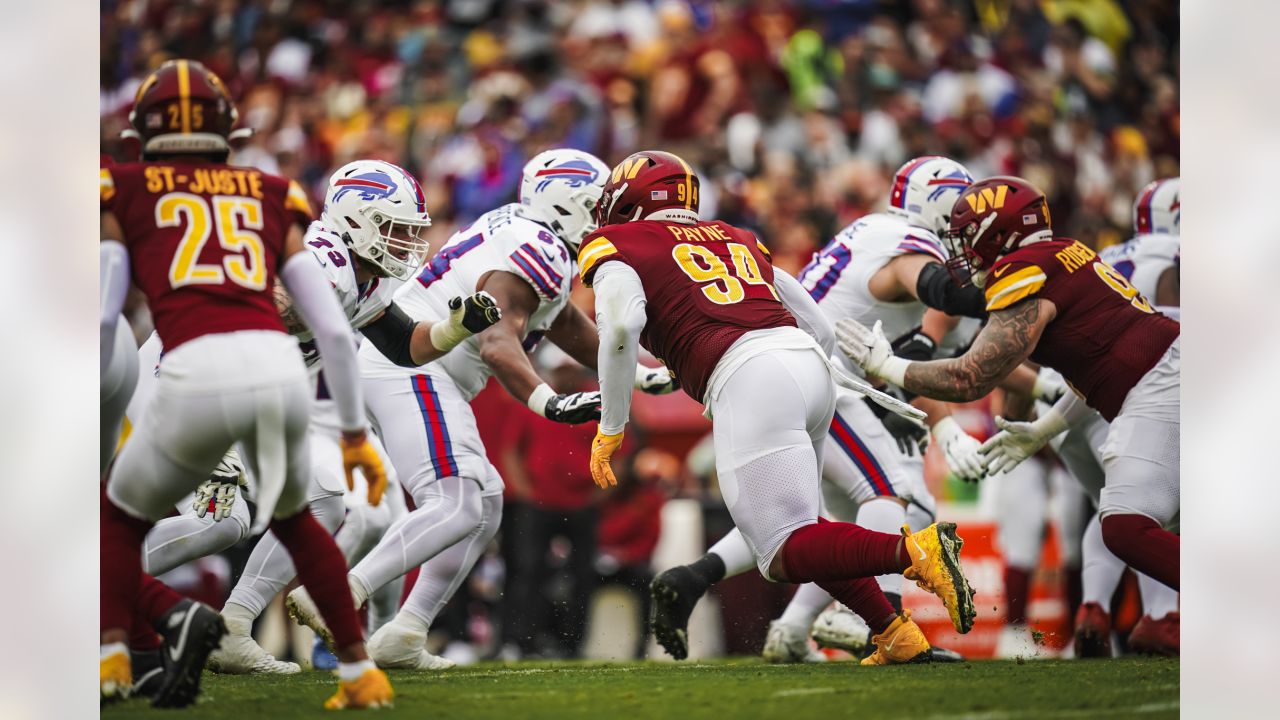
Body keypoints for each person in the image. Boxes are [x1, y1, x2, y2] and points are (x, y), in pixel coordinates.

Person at [583, 149, 977, 667]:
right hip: (807, 364)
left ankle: (913, 553)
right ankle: (895, 633)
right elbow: (815, 323)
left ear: (629, 201)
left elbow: (619, 327)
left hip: (751, 374)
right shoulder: (735, 235)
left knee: (780, 551)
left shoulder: (619, 243)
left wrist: (611, 426)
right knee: (807, 525)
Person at [285, 148, 676, 669]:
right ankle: (336, 593)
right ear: (567, 205)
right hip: (413, 365)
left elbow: (561, 323)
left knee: (484, 504)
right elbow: (497, 341)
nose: (605, 217)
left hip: (418, 369)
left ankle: (406, 632)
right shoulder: (539, 246)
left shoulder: (531, 234)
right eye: (598, 205)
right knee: (457, 502)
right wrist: (549, 401)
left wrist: (641, 373)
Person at [99, 60, 392, 709]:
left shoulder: (121, 186)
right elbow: (330, 333)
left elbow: (102, 307)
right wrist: (352, 433)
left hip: (187, 362)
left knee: (128, 519)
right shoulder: (271, 192)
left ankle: (119, 639)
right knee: (286, 514)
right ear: (227, 132)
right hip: (259, 372)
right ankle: (358, 672)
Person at [837, 175, 1181, 593]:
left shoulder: (1021, 270)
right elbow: (1101, 363)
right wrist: (1045, 429)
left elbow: (971, 376)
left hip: (1161, 385)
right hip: (1165, 374)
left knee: (1127, 528)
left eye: (966, 237)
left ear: (996, 233)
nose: (960, 250)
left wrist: (888, 366)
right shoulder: (1065, 253)